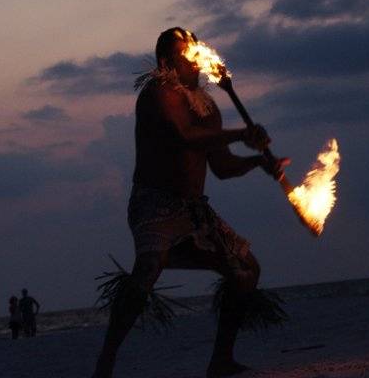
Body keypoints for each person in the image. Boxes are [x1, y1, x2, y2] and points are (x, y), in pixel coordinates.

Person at [92, 27, 289, 378]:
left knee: (246, 270)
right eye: (187, 54)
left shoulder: (208, 107)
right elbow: (184, 137)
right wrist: (244, 134)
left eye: (196, 52)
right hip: (154, 204)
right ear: (167, 62)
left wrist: (258, 162)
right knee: (150, 265)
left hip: (195, 210)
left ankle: (221, 361)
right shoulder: (158, 93)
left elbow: (222, 167)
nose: (196, 61)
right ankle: (105, 363)